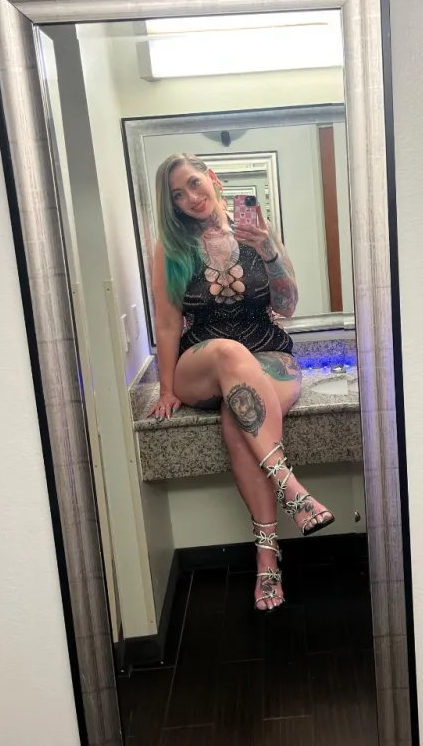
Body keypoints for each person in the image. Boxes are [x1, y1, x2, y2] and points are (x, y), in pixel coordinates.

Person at [149, 153, 334, 611]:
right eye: (178, 195)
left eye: (194, 183)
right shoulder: (170, 248)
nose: (191, 198)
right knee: (230, 353)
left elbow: (287, 305)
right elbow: (168, 325)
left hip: (269, 355)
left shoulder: (257, 233)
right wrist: (167, 389)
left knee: (239, 416)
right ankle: (291, 488)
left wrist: (268, 248)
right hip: (203, 361)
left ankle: (267, 559)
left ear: (212, 178)